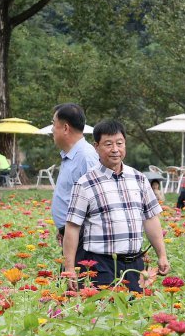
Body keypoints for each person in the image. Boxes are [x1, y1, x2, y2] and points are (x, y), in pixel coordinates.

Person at [62, 119, 170, 293]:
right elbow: (72, 227)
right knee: (106, 315)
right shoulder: (84, 184)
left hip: (134, 266)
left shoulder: (139, 179)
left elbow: (150, 218)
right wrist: (69, 268)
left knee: (136, 314)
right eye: (108, 144)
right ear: (96, 147)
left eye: (119, 143)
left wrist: (162, 255)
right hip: (100, 266)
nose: (115, 149)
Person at [50, 102, 101, 244]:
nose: (52, 129)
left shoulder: (86, 157)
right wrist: (62, 229)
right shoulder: (71, 155)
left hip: (83, 237)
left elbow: (97, 201)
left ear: (65, 128)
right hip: (71, 234)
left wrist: (72, 233)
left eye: (54, 124)